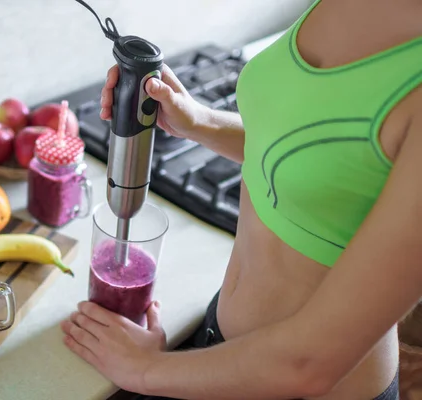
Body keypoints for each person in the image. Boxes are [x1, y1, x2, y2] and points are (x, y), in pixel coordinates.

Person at [60, 0, 422, 398]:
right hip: (222, 340)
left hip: (302, 384)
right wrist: (199, 121)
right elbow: (321, 164)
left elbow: (309, 364)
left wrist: (145, 369)